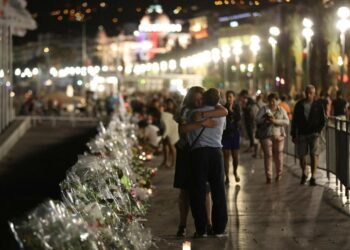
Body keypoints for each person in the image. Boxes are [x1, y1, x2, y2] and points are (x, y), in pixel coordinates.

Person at [174, 86, 227, 237]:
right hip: (216, 152)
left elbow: (183, 128)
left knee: (197, 192)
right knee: (218, 191)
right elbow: (223, 119)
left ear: (204, 98)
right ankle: (219, 229)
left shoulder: (192, 112)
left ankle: (201, 229)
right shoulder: (220, 113)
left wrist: (201, 118)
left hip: (198, 154)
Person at [291, 85, 326, 186]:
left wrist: (318, 131)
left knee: (314, 155)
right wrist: (293, 134)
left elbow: (323, 120)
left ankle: (313, 176)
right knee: (302, 155)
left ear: (314, 94)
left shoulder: (318, 105)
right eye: (307, 93)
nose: (308, 95)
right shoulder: (299, 105)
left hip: (314, 134)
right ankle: (304, 173)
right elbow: (294, 121)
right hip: (302, 134)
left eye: (311, 93)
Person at [256, 93, 289, 184]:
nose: (272, 103)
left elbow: (287, 121)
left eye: (274, 101)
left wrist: (276, 121)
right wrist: (265, 119)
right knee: (268, 155)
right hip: (266, 135)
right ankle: (269, 176)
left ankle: (279, 173)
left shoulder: (281, 110)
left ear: (277, 101)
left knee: (278, 154)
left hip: (279, 135)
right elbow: (257, 119)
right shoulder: (264, 109)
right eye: (270, 101)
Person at [221, 91, 241, 185]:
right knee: (226, 155)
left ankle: (235, 172)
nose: (228, 99)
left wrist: (231, 110)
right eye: (227, 97)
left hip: (235, 134)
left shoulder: (237, 107)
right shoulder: (223, 107)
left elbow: (239, 118)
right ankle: (227, 176)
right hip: (225, 134)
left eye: (230, 97)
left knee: (235, 156)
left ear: (234, 98)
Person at [160, 98, 179, 168]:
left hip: (172, 129)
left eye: (169, 104)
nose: (168, 105)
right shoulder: (165, 111)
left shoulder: (175, 111)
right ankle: (165, 161)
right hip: (167, 129)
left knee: (171, 146)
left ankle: (173, 163)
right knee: (165, 145)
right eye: (167, 103)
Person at [239, 90, 259, 156]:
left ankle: (255, 150)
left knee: (252, 134)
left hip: (251, 121)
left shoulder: (250, 101)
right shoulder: (248, 101)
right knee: (250, 134)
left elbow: (251, 111)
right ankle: (252, 148)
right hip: (248, 120)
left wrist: (244, 107)